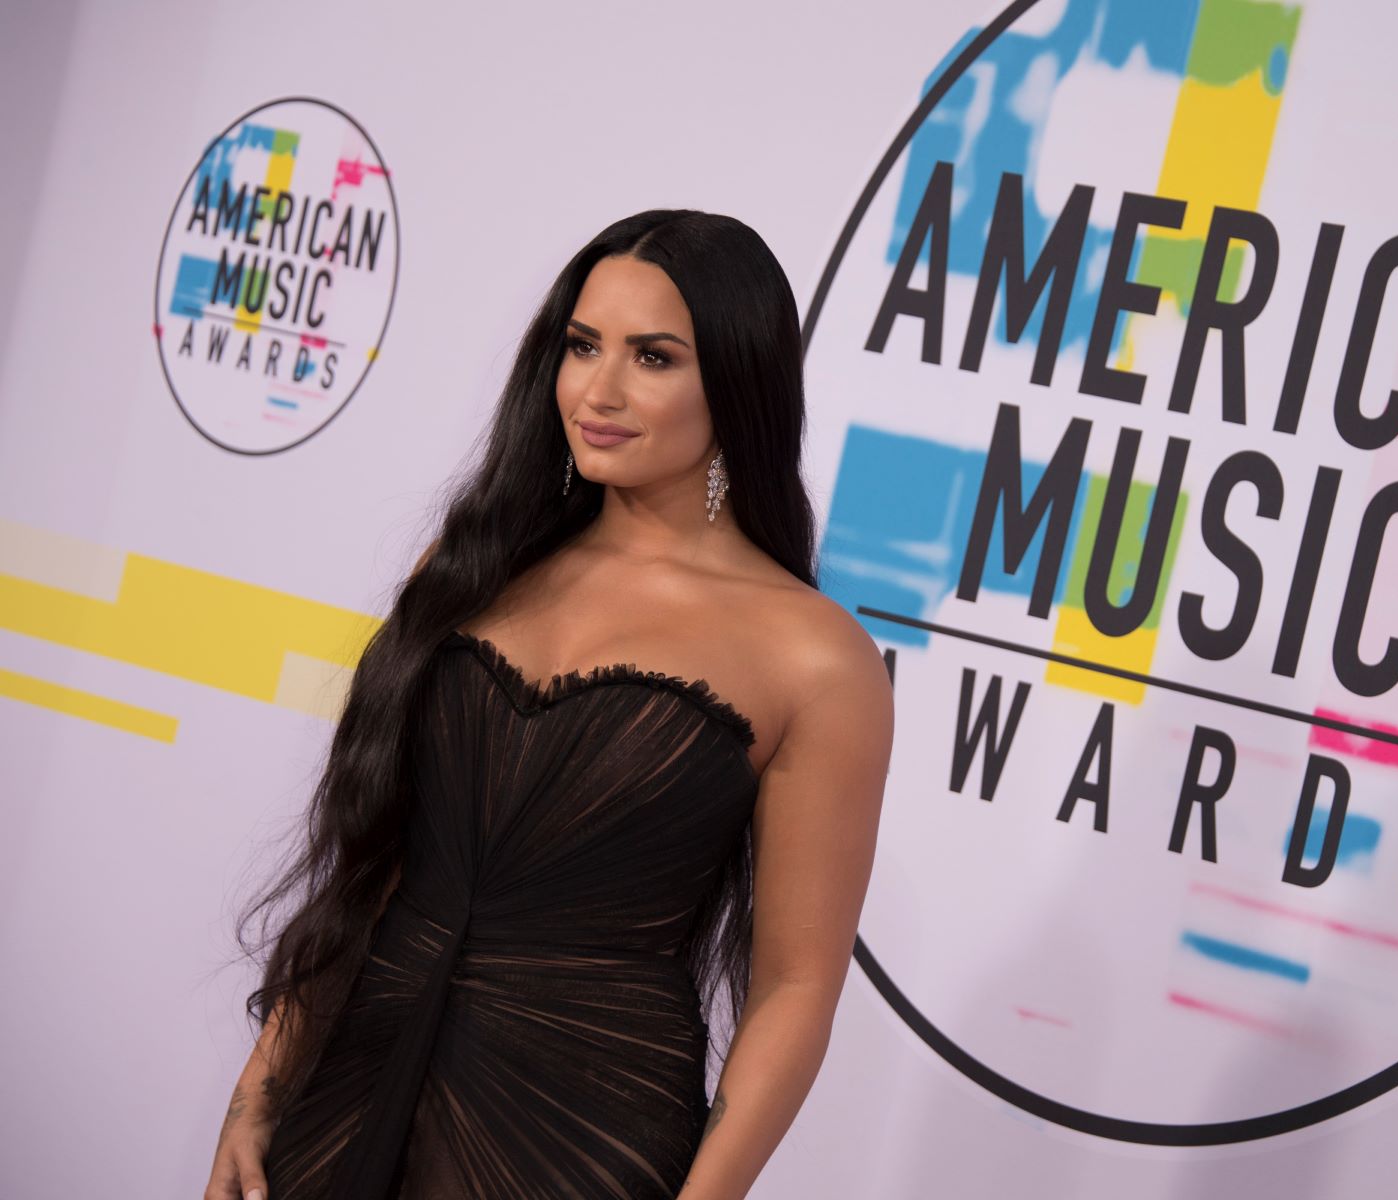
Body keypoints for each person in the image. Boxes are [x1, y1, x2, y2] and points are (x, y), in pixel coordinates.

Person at [202, 209, 894, 1199]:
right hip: (351, 1085)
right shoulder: (474, 564)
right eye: (581, 346)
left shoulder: (816, 658)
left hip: (583, 1131)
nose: (598, 391)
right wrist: (259, 1090)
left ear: (736, 383)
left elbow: (795, 984)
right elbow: (373, 861)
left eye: (653, 357)